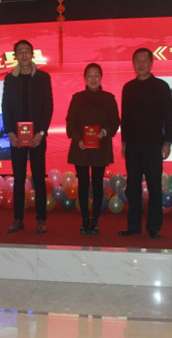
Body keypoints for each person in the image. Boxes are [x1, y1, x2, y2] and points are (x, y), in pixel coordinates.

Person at [119, 48, 172, 239]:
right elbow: (125, 118)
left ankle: (154, 227)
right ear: (133, 63)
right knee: (133, 187)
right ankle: (133, 226)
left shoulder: (161, 86)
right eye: (137, 60)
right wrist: (124, 142)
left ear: (151, 63)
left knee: (154, 187)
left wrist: (167, 142)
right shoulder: (128, 87)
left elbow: (169, 117)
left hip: (154, 145)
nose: (141, 64)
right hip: (133, 146)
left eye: (144, 60)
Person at [2, 39, 53, 234]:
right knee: (19, 178)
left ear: (32, 55)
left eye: (27, 51)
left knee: (39, 178)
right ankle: (18, 219)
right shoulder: (10, 79)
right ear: (15, 56)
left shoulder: (43, 78)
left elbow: (48, 107)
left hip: (37, 136)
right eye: (20, 51)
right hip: (17, 137)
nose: (24, 54)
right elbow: (5, 107)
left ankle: (41, 219)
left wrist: (41, 132)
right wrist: (10, 132)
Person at [66, 63, 120, 234]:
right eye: (90, 75)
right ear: (85, 78)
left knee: (97, 185)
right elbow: (70, 122)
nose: (93, 79)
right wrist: (78, 139)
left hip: (100, 147)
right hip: (81, 147)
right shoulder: (77, 98)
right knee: (82, 185)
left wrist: (104, 131)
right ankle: (84, 220)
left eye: (96, 75)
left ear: (101, 77)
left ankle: (95, 220)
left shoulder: (109, 98)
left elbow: (115, 122)